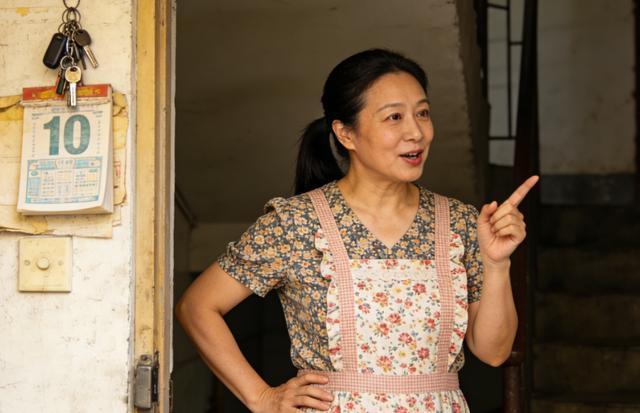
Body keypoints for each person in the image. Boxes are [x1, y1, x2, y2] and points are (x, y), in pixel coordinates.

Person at [176, 48, 538, 412]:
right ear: (346, 134)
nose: (416, 132)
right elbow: (197, 306)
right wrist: (261, 397)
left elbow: (493, 353)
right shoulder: (297, 223)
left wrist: (497, 264)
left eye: (423, 113)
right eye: (394, 117)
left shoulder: (459, 222)